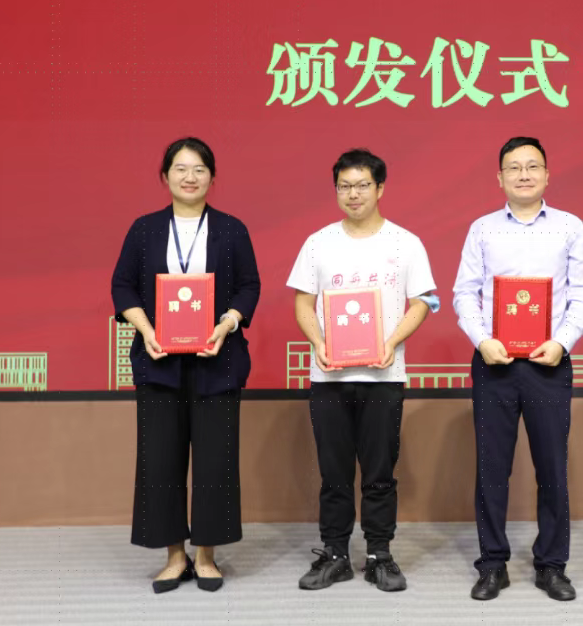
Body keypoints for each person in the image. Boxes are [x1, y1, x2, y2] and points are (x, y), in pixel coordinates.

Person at [111, 137, 260, 594]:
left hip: (218, 361)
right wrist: (146, 329)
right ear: (165, 176)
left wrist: (227, 324)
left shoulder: (232, 229)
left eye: (199, 169)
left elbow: (249, 286)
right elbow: (122, 286)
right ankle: (174, 557)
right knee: (160, 462)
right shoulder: (144, 230)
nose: (189, 177)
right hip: (159, 362)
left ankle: (207, 556)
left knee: (216, 462)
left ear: (212, 177)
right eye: (180, 168)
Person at [453, 136, 583, 602]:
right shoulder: (482, 229)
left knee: (552, 467)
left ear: (547, 175)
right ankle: (492, 564)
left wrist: (562, 342)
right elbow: (464, 292)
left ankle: (552, 565)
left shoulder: (570, 227)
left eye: (532, 166)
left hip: (548, 362)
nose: (523, 174)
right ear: (499, 178)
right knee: (491, 469)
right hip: (493, 362)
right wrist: (483, 340)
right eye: (513, 167)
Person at [287, 148, 438, 593]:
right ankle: (335, 554)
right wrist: (318, 343)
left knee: (379, 471)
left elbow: (423, 301)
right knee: (333, 472)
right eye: (344, 186)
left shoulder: (405, 243)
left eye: (362, 185)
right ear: (336, 190)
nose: (353, 194)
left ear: (380, 188)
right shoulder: (318, 243)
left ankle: (379, 555)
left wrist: (391, 342)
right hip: (329, 377)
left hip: (383, 376)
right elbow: (302, 302)